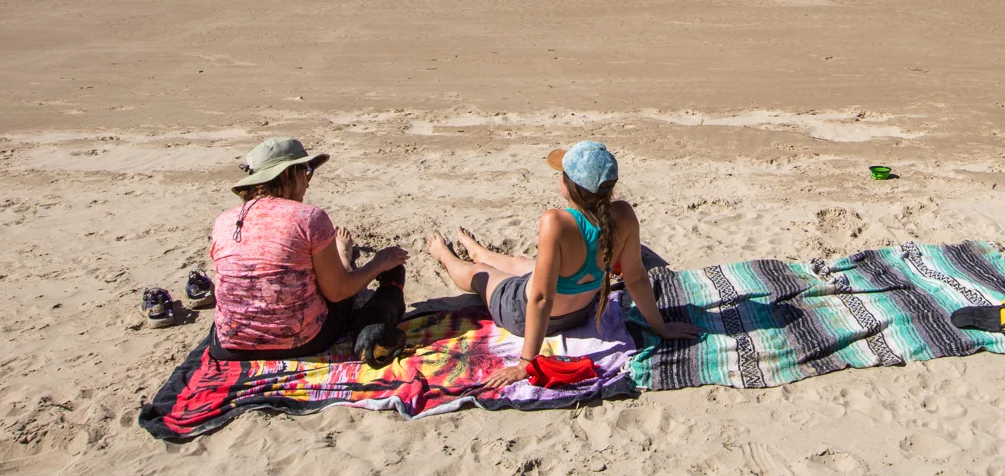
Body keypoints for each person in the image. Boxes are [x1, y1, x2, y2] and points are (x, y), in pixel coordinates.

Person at [428, 140, 698, 390]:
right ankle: (479, 251)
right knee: (520, 263)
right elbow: (636, 278)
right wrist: (661, 327)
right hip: (580, 312)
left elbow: (541, 298)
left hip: (521, 313)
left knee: (481, 274)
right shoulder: (624, 214)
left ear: (567, 185)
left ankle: (445, 254)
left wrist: (525, 363)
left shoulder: (555, 222)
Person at [208, 137, 409, 360]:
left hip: (229, 347)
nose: (308, 183)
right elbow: (338, 292)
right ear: (287, 174)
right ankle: (345, 258)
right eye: (306, 172)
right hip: (302, 342)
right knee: (364, 282)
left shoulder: (223, 221)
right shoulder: (309, 218)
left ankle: (343, 255)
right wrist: (379, 263)